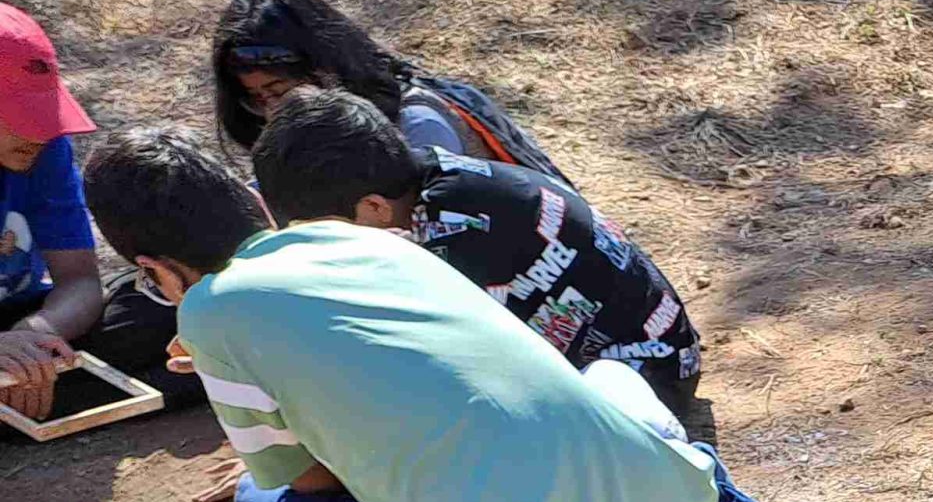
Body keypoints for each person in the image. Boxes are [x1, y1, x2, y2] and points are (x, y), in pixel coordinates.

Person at [78, 128, 822, 502]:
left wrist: (230, 364)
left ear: (154, 268)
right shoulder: (371, 240)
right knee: (606, 380)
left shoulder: (210, 311)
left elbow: (309, 482)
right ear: (250, 199)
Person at [254, 88, 698, 415]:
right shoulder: (430, 179)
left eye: (327, 231)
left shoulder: (454, 228)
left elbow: (418, 363)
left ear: (373, 206)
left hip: (639, 383)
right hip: (646, 361)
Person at [0, 5, 197, 420]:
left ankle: (31, 400)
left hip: (21, 317)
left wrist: (35, 336)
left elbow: (80, 282)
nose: (40, 133)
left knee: (171, 304)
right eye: (21, 118)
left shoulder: (44, 148)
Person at [212, 0, 571, 185]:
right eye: (256, 98)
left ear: (327, 71)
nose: (272, 112)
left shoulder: (418, 129)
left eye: (280, 92)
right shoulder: (303, 138)